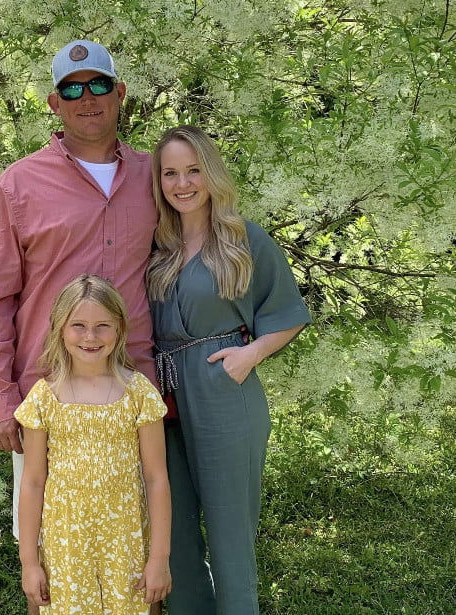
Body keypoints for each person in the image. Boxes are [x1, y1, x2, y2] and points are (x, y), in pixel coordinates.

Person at [0, 39, 161, 614]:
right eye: (72, 89)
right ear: (54, 103)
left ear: (120, 93)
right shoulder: (18, 186)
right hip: (46, 394)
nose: (87, 98)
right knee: (47, 553)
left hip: (134, 392)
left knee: (137, 542)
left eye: (99, 84)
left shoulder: (155, 178)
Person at [146, 125, 312, 615]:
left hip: (223, 390)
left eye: (193, 170)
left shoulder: (244, 239)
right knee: (172, 535)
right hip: (164, 397)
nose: (182, 183)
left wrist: (249, 356)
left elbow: (288, 313)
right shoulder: (158, 246)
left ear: (211, 173)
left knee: (229, 536)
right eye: (170, 173)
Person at [15, 274, 172, 614]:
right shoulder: (44, 397)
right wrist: (30, 562)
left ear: (120, 329)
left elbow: (157, 477)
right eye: (78, 325)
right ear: (59, 328)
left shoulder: (139, 393)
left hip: (126, 546)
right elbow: (32, 482)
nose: (90, 336)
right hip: (65, 549)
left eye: (103, 325)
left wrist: (159, 558)